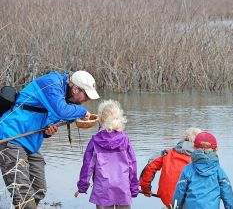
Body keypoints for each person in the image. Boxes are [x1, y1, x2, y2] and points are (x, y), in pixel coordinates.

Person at [0, 70, 99, 209]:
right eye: (87, 96)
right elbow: (62, 111)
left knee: (39, 189)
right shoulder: (51, 83)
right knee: (22, 192)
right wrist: (82, 112)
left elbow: (49, 119)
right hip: (11, 137)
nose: (87, 100)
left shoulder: (63, 95)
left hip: (30, 143)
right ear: (76, 89)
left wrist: (48, 131)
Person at [74, 99, 139, 209]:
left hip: (102, 188)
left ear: (101, 119)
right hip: (122, 187)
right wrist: (134, 187)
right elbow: (132, 165)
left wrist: (82, 186)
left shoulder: (95, 141)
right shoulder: (125, 140)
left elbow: (87, 166)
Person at [140, 127, 202, 209]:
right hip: (191, 199)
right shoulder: (201, 159)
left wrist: (145, 189)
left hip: (168, 198)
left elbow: (150, 167)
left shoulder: (166, 153)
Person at [173, 131, 233, 209]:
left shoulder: (188, 169)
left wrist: (176, 207)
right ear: (215, 149)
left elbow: (179, 191)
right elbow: (227, 193)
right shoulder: (218, 171)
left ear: (194, 148)